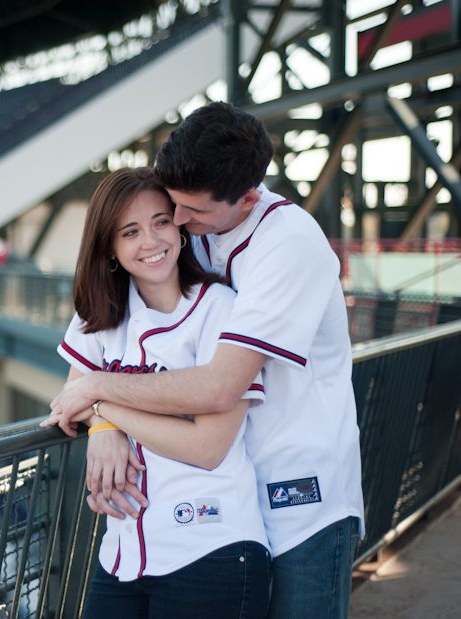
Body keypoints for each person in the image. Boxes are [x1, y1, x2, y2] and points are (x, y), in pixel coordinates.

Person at [48, 102, 364, 618]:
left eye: (188, 212)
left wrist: (99, 396)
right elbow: (84, 374)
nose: (177, 223)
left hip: (300, 493)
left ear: (246, 197)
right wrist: (103, 424)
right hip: (231, 490)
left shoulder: (288, 244)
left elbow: (218, 387)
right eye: (173, 206)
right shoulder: (199, 231)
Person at [42, 167, 270, 618]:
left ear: (180, 228)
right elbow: (72, 398)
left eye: (161, 222)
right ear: (109, 247)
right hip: (122, 555)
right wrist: (102, 426)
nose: (151, 241)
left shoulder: (220, 309)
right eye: (130, 231)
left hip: (211, 549)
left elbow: (208, 447)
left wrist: (104, 402)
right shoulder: (101, 315)